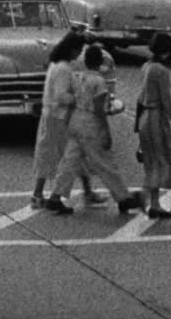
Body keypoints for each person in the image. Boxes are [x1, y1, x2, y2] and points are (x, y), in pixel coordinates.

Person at [50, 46, 144, 215]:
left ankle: (56, 196)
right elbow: (100, 110)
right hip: (90, 122)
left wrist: (67, 121)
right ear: (100, 62)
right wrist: (106, 132)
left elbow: (70, 100)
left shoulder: (76, 77)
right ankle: (123, 198)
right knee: (105, 163)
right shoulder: (99, 82)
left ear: (85, 61)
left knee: (69, 161)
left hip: (75, 119)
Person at [30, 30, 86, 211]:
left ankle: (37, 194)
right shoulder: (63, 69)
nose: (79, 54)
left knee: (46, 155)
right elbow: (62, 95)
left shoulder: (54, 65)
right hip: (60, 117)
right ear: (72, 50)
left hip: (49, 115)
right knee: (69, 159)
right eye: (78, 50)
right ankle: (57, 196)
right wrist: (77, 98)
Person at [134, 33, 171, 219]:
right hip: (156, 117)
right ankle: (144, 196)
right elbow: (167, 101)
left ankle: (155, 204)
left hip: (144, 117)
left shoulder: (146, 66)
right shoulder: (161, 71)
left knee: (151, 162)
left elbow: (140, 98)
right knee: (161, 161)